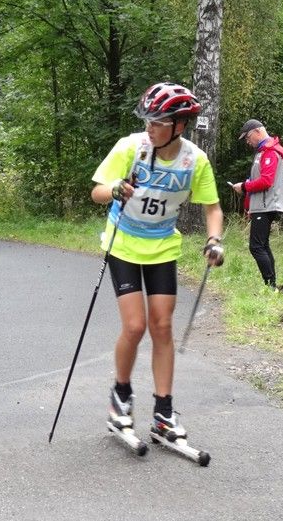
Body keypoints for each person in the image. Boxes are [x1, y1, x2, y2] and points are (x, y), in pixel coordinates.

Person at [91, 82, 224, 443]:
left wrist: (214, 240)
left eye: (159, 122)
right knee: (135, 326)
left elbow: (212, 208)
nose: (150, 127)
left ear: (179, 126)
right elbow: (96, 191)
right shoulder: (130, 147)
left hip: (162, 246)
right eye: (147, 120)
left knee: (162, 327)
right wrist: (115, 189)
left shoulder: (194, 160)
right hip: (123, 243)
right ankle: (120, 398)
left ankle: (163, 413)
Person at [231, 119, 283, 292]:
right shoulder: (262, 151)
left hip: (266, 205)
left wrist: (244, 186)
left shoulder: (269, 152)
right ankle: (272, 286)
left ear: (257, 131)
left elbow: (266, 181)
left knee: (256, 246)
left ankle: (270, 286)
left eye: (248, 137)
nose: (247, 142)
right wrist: (250, 203)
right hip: (262, 205)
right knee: (262, 245)